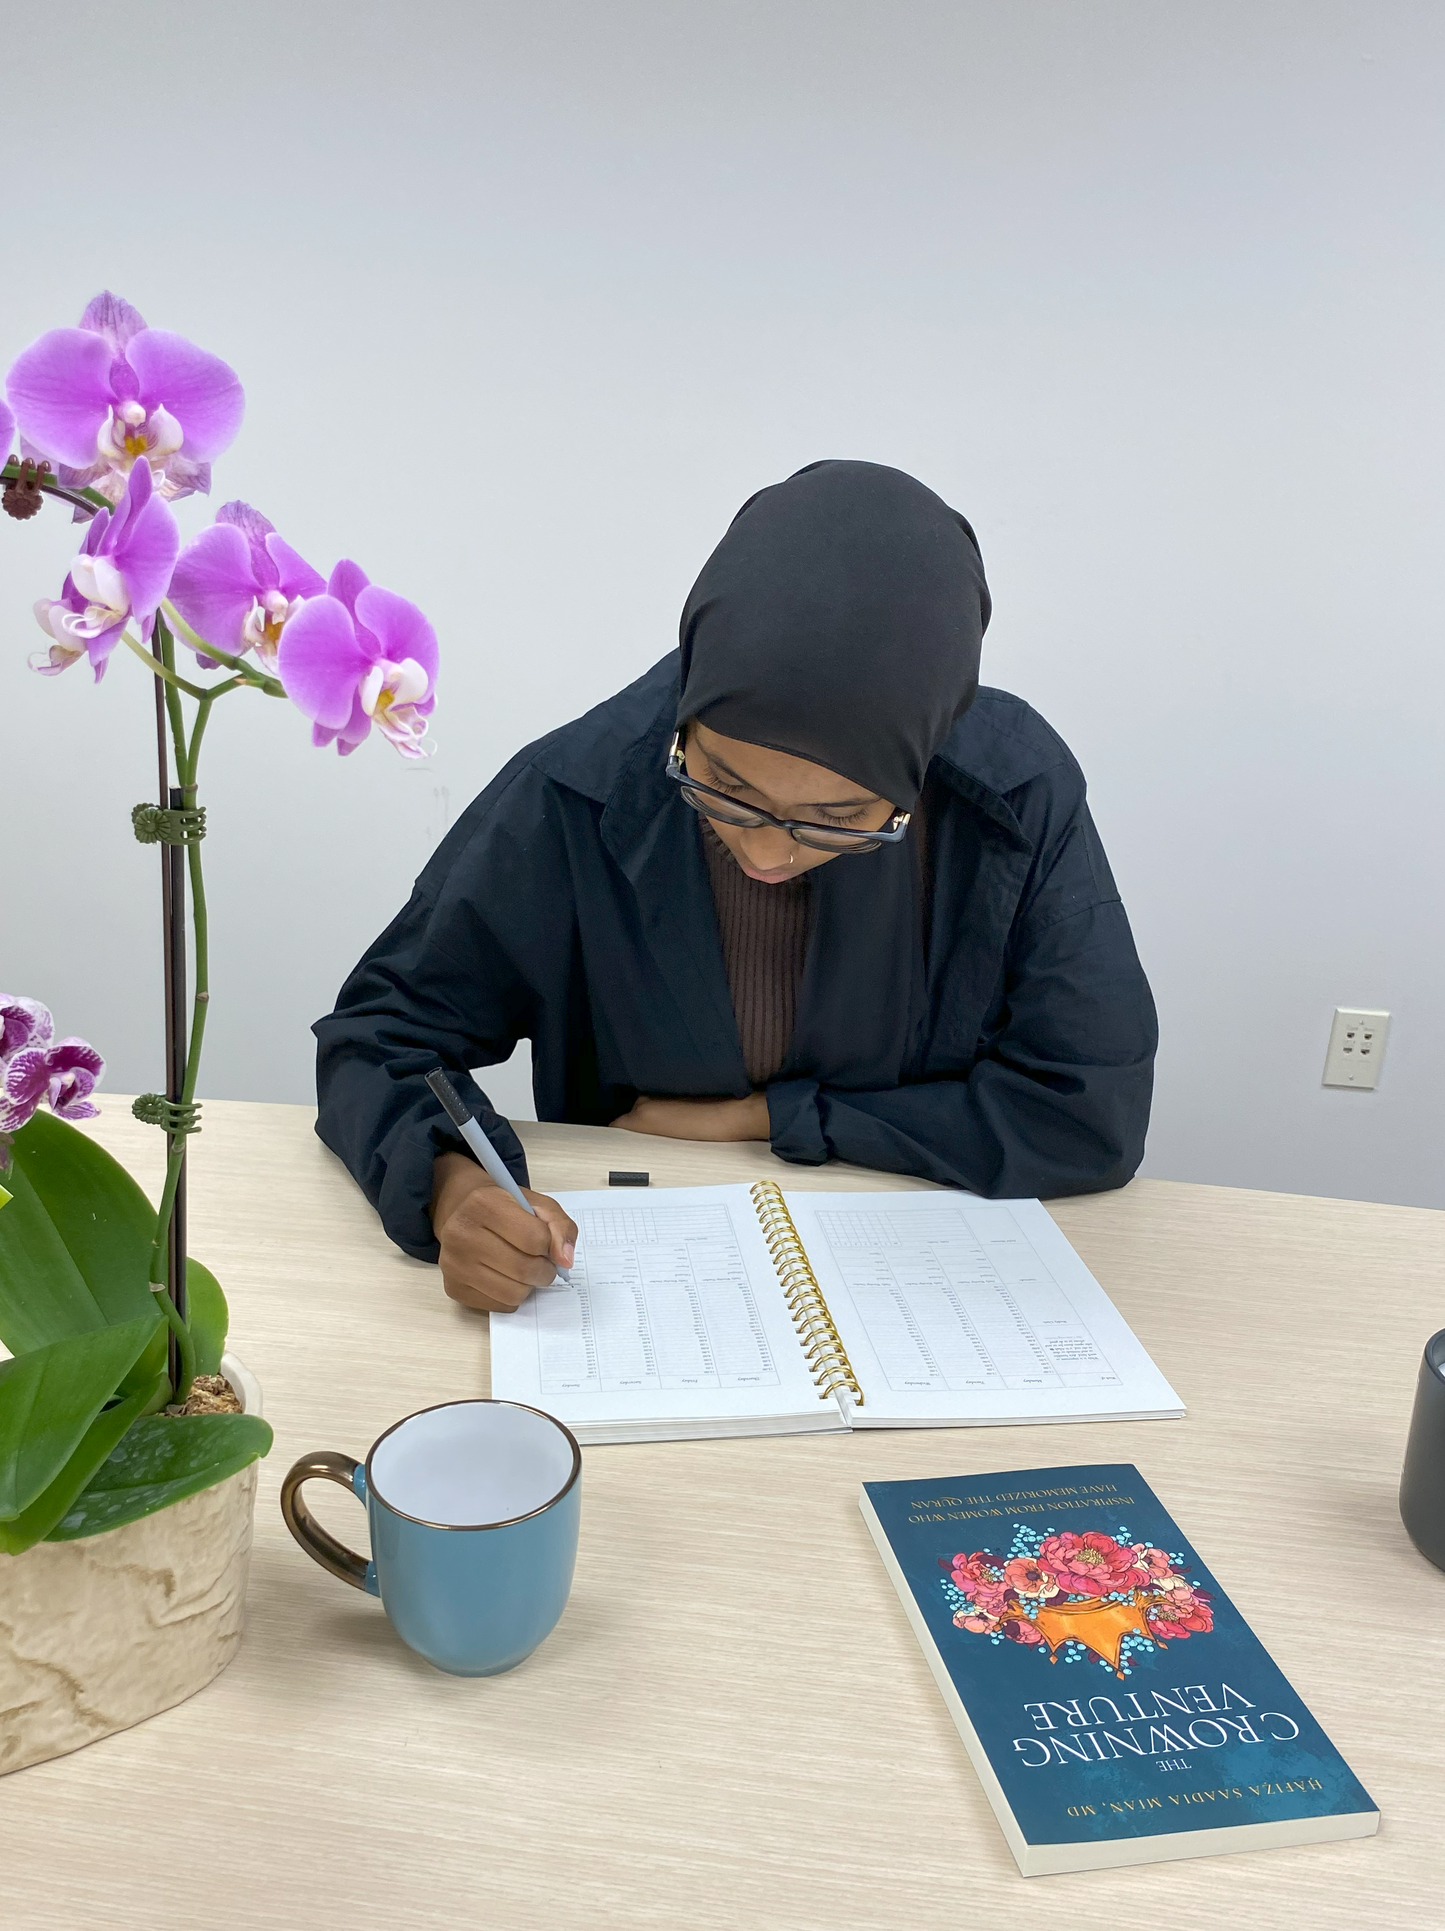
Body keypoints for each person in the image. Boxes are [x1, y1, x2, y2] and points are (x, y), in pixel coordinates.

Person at [315, 460, 1157, 1317]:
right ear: (688, 711)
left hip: (934, 1289)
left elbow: (1087, 1113)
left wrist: (766, 1117)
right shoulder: (579, 787)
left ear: (918, 775)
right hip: (638, 1284)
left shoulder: (1014, 797)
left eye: (838, 817)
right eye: (722, 784)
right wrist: (452, 1188)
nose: (764, 852)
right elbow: (379, 1034)